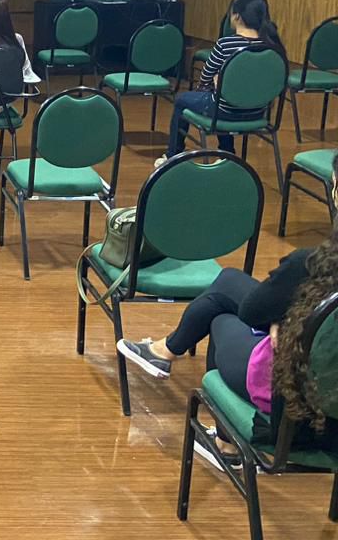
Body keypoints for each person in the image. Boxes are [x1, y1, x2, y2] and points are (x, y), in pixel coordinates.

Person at [118, 154, 338, 469]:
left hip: (299, 415)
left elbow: (250, 312)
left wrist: (283, 320)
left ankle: (226, 444)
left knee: (221, 317)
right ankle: (165, 350)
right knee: (230, 282)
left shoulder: (309, 265)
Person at [158, 0, 286, 163]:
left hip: (223, 112)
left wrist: (220, 85)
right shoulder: (273, 47)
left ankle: (173, 155)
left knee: (183, 100)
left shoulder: (225, 44)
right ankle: (227, 153)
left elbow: (204, 79)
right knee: (223, 97)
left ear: (236, 16)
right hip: (258, 113)